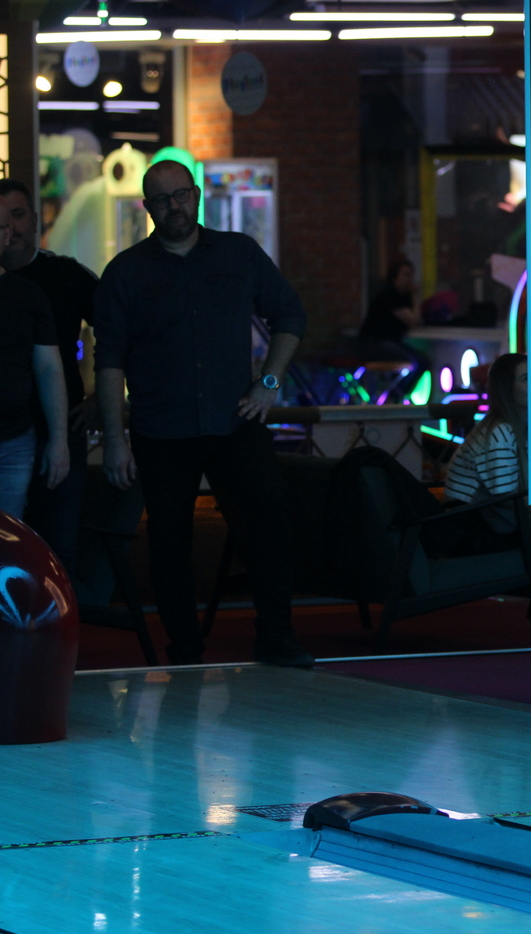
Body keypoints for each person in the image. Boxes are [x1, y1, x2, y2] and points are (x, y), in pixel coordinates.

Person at [94, 160, 311, 667]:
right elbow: (109, 362)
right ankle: (185, 651)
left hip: (235, 420)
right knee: (170, 543)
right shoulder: (126, 271)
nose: (174, 206)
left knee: (268, 526)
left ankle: (277, 638)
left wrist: (269, 383)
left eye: (181, 195)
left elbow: (290, 314)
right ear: (147, 208)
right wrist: (116, 440)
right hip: (161, 428)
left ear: (196, 196)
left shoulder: (238, 252)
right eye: (162, 199)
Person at [0, 179, 99, 573]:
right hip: (15, 431)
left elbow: (118, 331)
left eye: (18, 215)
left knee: (56, 545)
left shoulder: (64, 275)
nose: (12, 228)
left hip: (57, 429)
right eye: (4, 220)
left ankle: (56, 611)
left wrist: (102, 399)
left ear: (34, 219)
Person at [442, 352, 531, 640]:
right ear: (506, 388)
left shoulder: (521, 427)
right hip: (469, 528)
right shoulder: (501, 431)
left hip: (490, 518)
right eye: (525, 378)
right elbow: (506, 500)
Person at [0, 209, 68, 518]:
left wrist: (59, 440)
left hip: (13, 439)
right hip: (16, 439)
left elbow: (49, 370)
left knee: (9, 537)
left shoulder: (26, 295)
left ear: (6, 234)